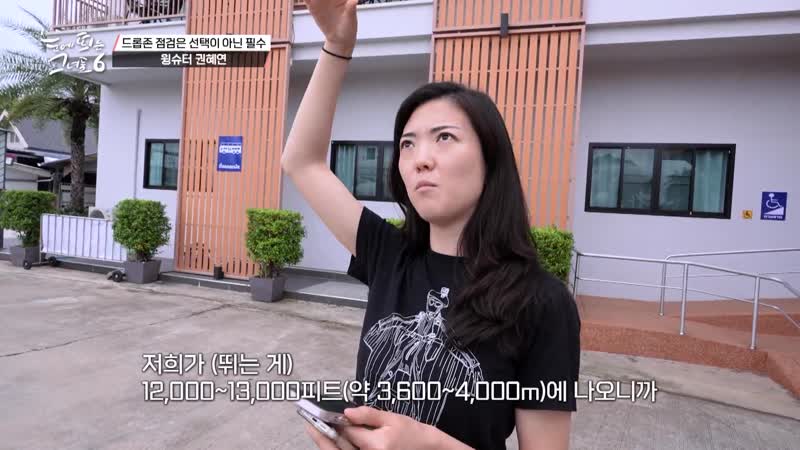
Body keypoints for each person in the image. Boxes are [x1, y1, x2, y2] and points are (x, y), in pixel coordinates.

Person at [280, 1, 581, 449]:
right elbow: (301, 161)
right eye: (407, 144)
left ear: (490, 159)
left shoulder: (541, 302)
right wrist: (337, 45)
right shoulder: (389, 255)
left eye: (444, 137)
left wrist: (432, 445)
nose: (420, 158)